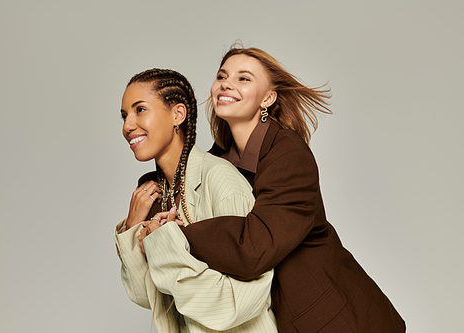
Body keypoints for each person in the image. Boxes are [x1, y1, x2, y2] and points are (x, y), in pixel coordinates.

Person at [147, 46, 406, 332]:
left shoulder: (289, 156)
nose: (226, 83)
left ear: (268, 99)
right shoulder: (220, 162)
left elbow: (254, 247)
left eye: (243, 78)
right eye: (222, 76)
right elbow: (184, 193)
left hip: (334, 319)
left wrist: (177, 234)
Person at [114, 68, 278, 332]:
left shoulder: (221, 180)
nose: (127, 126)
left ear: (178, 114)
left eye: (140, 110)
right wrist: (133, 227)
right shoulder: (158, 195)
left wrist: (163, 244)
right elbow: (148, 297)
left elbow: (238, 303)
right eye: (124, 116)